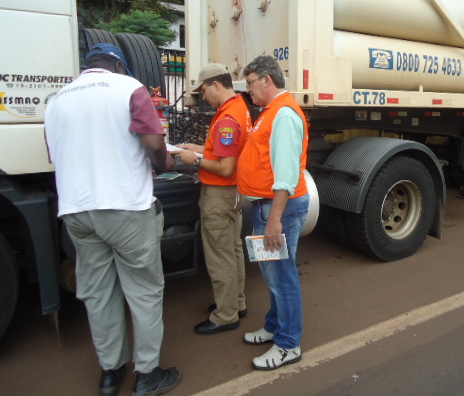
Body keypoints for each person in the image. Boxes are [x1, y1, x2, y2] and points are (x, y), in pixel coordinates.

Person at [44, 43, 181, 396]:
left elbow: (54, 155)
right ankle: (147, 374)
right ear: (118, 65)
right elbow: (153, 142)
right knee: (144, 290)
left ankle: (111, 372)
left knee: (99, 294)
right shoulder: (128, 88)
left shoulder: (57, 99)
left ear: (88, 66)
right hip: (125, 207)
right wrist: (164, 163)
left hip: (76, 210)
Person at [237, 55, 310, 371]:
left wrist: (275, 219)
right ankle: (274, 325)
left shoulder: (283, 115)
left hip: (276, 209)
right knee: (274, 274)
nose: (248, 90)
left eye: (251, 83)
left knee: (282, 276)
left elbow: (285, 175)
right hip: (268, 208)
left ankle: (288, 344)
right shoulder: (272, 112)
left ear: (267, 80)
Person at [173, 63, 251, 335]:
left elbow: (225, 167)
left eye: (204, 89)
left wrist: (193, 159)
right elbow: (223, 152)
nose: (203, 96)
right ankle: (236, 304)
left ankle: (226, 315)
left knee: (220, 256)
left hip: (220, 193)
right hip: (234, 192)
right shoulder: (238, 109)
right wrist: (199, 148)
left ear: (216, 85)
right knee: (232, 249)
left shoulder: (227, 118)